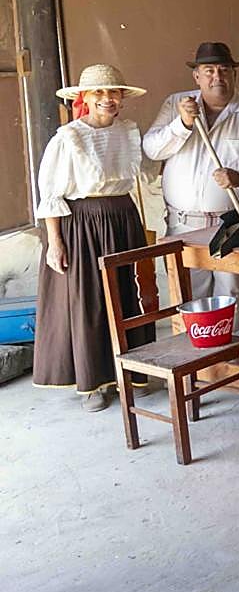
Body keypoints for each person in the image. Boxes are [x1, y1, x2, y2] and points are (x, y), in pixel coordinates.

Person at [143, 42, 239, 334]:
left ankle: (236, 370)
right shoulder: (176, 105)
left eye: (224, 70)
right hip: (184, 226)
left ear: (234, 74)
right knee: (191, 303)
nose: (216, 77)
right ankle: (198, 372)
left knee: (232, 301)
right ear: (196, 76)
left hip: (232, 225)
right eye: (208, 70)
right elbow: (152, 148)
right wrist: (182, 124)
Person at [32, 64, 153, 412]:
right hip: (82, 223)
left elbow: (148, 170)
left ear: (122, 98)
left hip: (122, 218)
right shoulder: (68, 137)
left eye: (113, 92)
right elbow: (51, 195)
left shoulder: (129, 131)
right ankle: (92, 383)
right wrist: (55, 243)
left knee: (127, 293)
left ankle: (131, 372)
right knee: (90, 299)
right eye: (99, 93)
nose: (107, 99)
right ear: (85, 98)